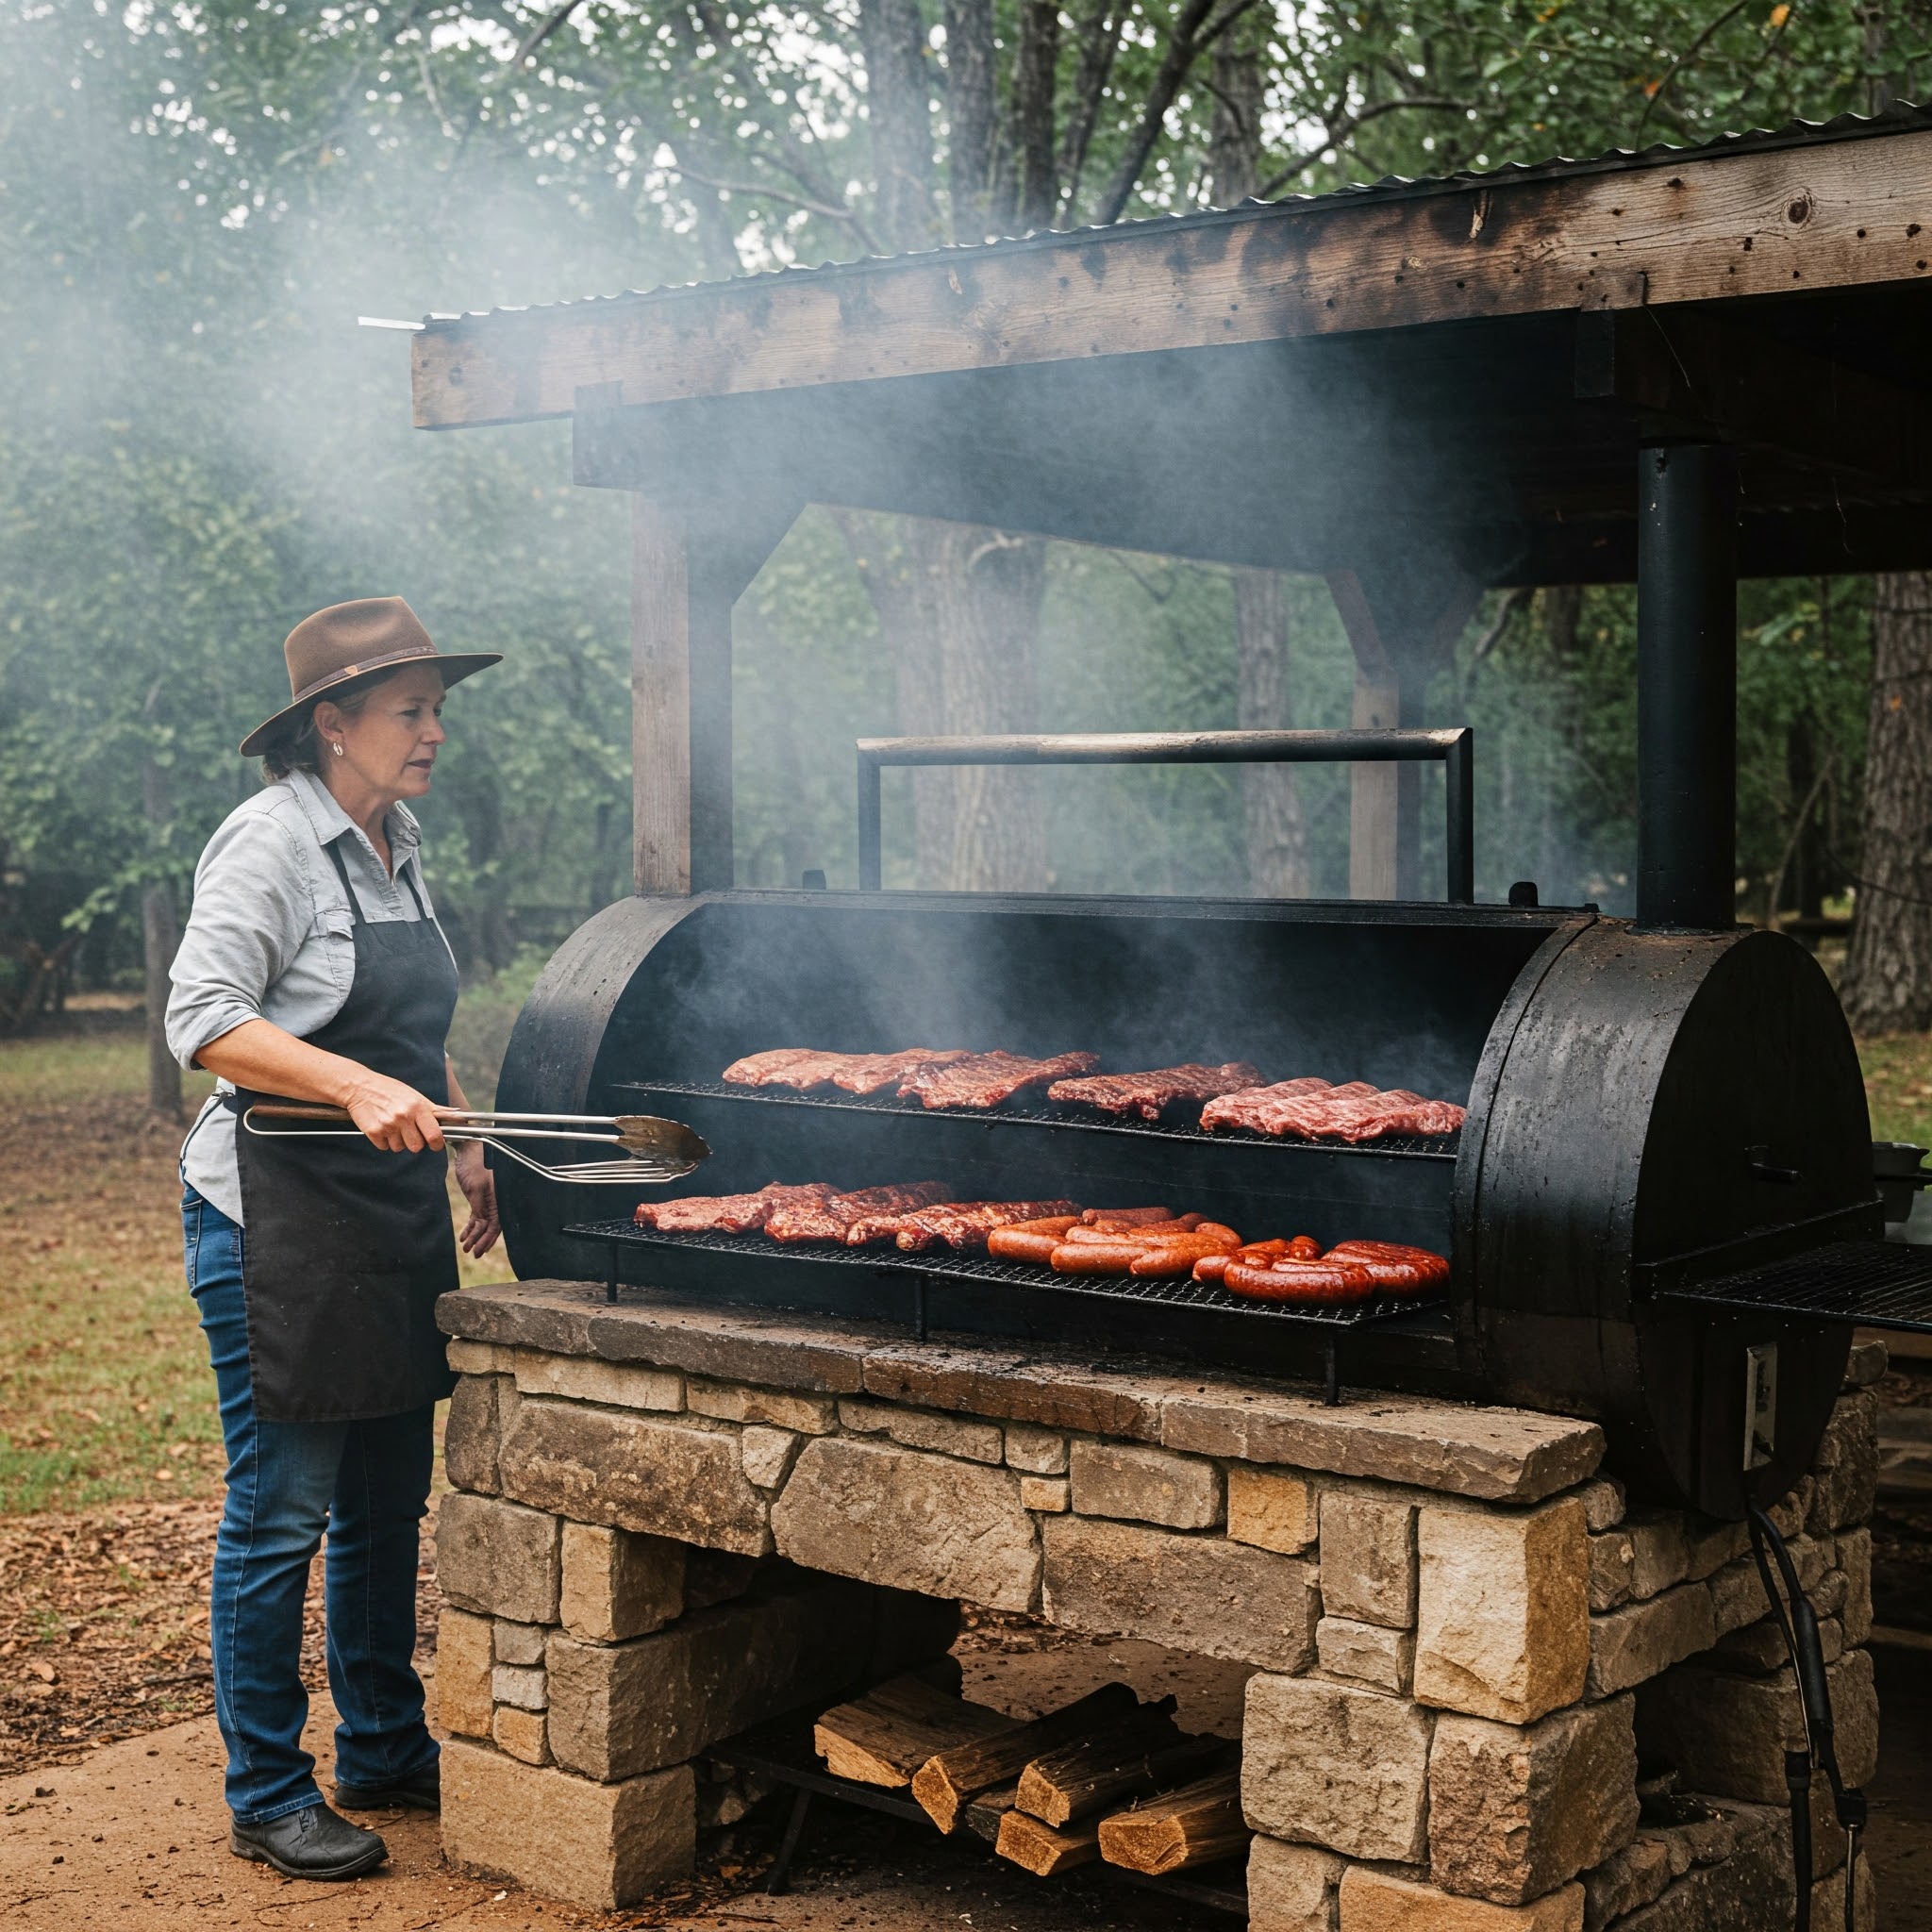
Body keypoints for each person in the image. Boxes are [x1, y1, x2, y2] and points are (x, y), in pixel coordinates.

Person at [166, 598, 502, 1881]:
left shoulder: (395, 840)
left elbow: (405, 1029)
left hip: (391, 1213)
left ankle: (382, 1743)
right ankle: (266, 1790)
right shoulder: (268, 844)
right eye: (410, 711)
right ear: (333, 724)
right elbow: (200, 1016)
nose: (432, 733)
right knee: (283, 1508)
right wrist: (355, 1089)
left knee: (383, 1500)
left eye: (436, 710)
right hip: (279, 1221)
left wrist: (461, 1132)